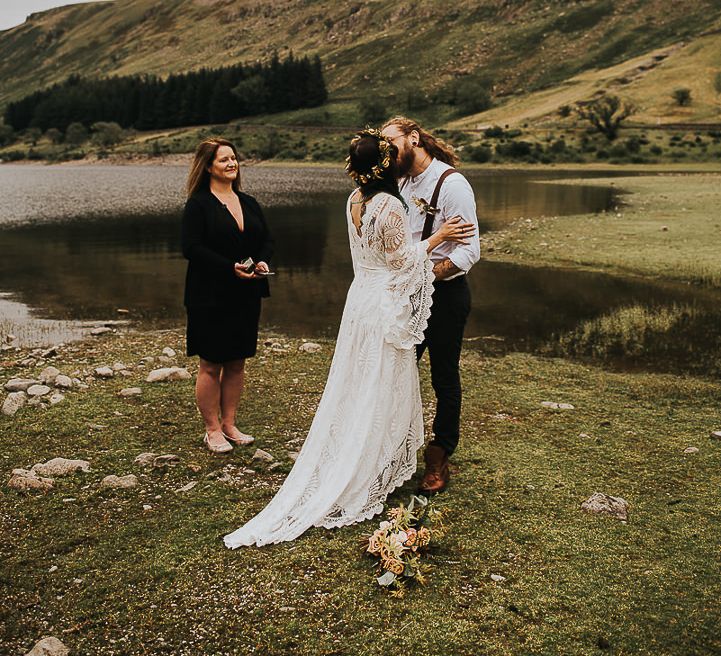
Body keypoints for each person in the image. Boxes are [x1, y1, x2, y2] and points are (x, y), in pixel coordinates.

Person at [224, 129, 474, 547]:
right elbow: (400, 261)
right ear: (387, 165)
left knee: (365, 381)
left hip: (362, 300)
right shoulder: (389, 204)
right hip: (383, 304)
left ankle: (375, 456)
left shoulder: (353, 200)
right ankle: (367, 465)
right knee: (382, 382)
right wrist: (439, 236)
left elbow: (373, 256)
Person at [381, 117, 481, 495]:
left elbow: (470, 250)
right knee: (395, 371)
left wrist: (425, 275)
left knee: (443, 375)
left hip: (446, 295)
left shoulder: (451, 183)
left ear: (414, 137)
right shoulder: (399, 182)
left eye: (391, 143)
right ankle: (391, 451)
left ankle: (439, 453)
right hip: (405, 294)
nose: (387, 152)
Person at [181, 138, 274, 454]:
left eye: (234, 158)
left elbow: (266, 240)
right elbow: (191, 248)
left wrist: (262, 261)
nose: (232, 164)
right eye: (224, 160)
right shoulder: (198, 204)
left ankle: (230, 423)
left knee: (236, 362)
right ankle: (212, 429)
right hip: (210, 294)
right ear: (208, 166)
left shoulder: (248, 202)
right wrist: (228, 267)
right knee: (211, 363)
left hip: (247, 293)